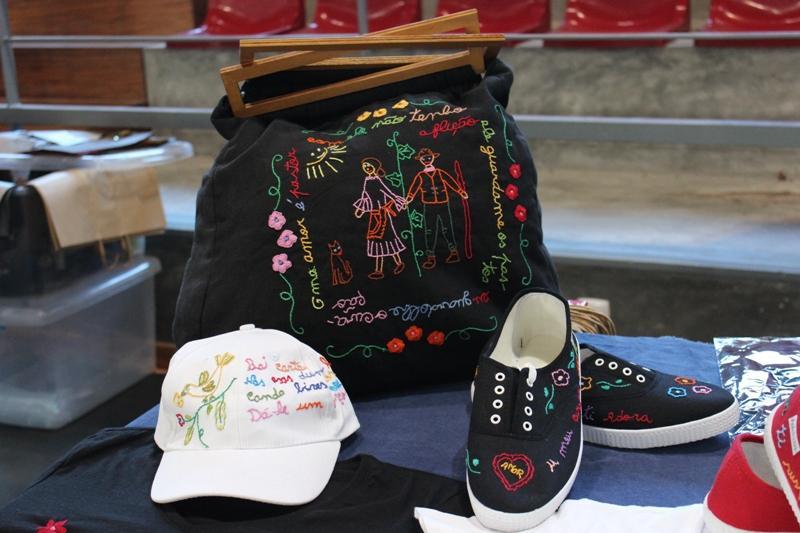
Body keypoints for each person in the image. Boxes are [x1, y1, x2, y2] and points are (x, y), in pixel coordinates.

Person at [405, 148, 468, 270]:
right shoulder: (420, 176)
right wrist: (408, 200)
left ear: (433, 158)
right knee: (430, 230)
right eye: (424, 159)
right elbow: (413, 189)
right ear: (421, 161)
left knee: (446, 228)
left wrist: (460, 191)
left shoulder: (440, 172)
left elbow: (451, 182)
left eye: (429, 158)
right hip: (429, 206)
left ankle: (454, 252)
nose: (427, 160)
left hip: (443, 204)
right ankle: (430, 257)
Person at [353, 157, 406, 280]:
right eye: (365, 167)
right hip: (374, 215)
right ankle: (378, 270)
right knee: (376, 240)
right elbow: (365, 197)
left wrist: (399, 201)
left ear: (375, 167)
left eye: (369, 166)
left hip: (383, 214)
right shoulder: (366, 181)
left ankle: (398, 263)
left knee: (388, 237)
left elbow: (388, 192)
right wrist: (361, 209)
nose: (367, 168)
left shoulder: (377, 180)